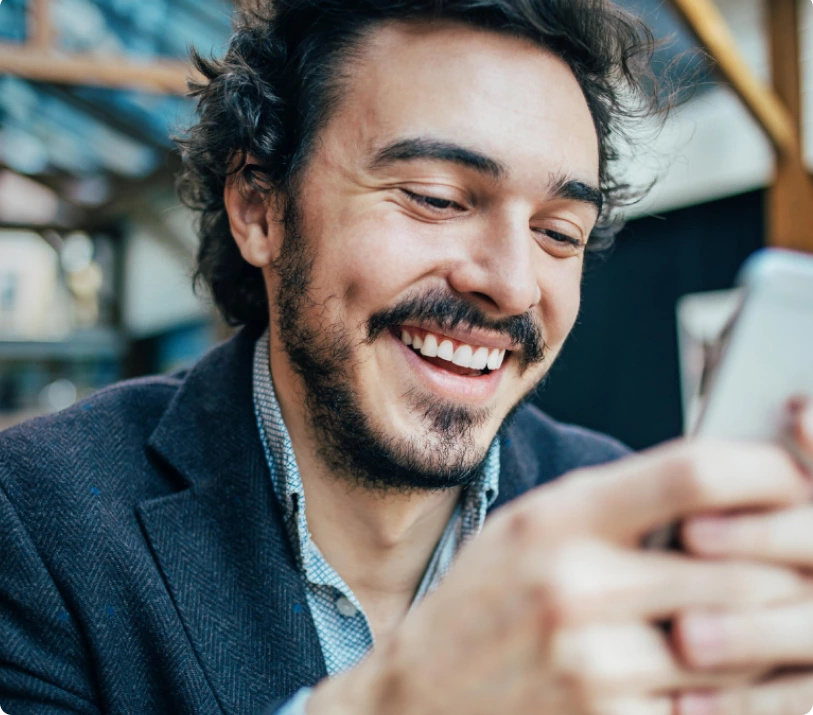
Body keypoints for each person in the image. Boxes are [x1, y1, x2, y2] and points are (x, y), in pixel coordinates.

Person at [1, 1, 813, 713]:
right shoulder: (37, 520)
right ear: (258, 206)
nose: (511, 283)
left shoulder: (623, 520)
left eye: (557, 233)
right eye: (435, 198)